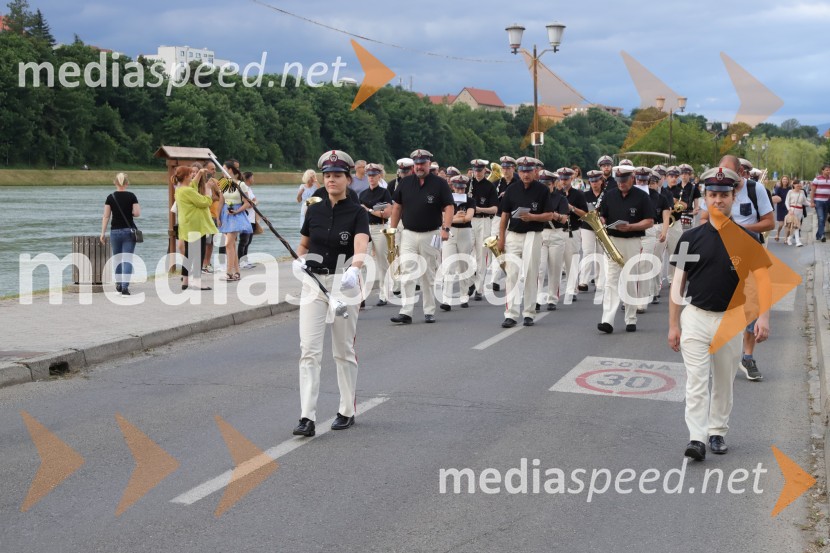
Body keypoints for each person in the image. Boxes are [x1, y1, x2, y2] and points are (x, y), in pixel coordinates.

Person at [668, 166, 771, 460]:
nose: (717, 200)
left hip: (732, 319)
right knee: (697, 380)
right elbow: (678, 286)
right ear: (705, 197)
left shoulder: (748, 240)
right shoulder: (690, 238)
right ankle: (697, 438)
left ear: (733, 197)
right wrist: (673, 325)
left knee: (724, 380)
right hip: (697, 317)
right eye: (712, 194)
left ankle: (717, 432)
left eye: (723, 195)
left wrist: (763, 317)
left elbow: (762, 280)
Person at [292, 150, 370, 437]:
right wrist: (298, 262)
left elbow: (360, 246)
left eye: (337, 175)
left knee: (343, 350)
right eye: (327, 175)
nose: (331, 180)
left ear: (348, 179)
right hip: (313, 283)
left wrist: (355, 268)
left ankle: (346, 409)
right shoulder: (314, 209)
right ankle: (306, 417)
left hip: (343, 284)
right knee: (308, 351)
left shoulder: (358, 212)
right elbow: (303, 245)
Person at [699, 155, 774, 381]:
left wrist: (739, 229)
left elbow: (770, 222)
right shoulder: (716, 191)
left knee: (751, 303)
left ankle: (748, 357)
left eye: (731, 174)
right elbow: (703, 218)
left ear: (740, 171)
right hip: (720, 252)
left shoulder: (755, 189)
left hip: (749, 250)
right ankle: (720, 353)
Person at [389, 149, 454, 324]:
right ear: (413, 165)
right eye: (416, 163)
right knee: (407, 273)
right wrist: (392, 231)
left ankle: (429, 310)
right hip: (409, 233)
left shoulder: (440, 183)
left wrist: (446, 229)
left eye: (422, 163)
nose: (419, 166)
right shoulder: (405, 182)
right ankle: (406, 312)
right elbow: (397, 207)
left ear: (429, 163)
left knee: (427, 274)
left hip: (431, 233)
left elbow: (449, 207)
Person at [597, 165, 654, 333]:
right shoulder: (610, 195)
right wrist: (601, 221)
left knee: (629, 279)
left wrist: (631, 226)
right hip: (613, 239)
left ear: (632, 178)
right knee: (611, 280)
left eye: (624, 180)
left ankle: (631, 318)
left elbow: (649, 221)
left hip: (633, 240)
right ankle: (607, 320)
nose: (621, 183)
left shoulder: (642, 196)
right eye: (618, 180)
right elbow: (603, 215)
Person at [497, 156, 553, 327]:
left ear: (534, 171)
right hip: (513, 234)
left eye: (528, 171)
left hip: (533, 234)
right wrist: (501, 238)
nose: (525, 174)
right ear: (518, 172)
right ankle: (511, 314)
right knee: (511, 274)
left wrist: (532, 217)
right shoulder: (512, 190)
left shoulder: (542, 190)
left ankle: (529, 312)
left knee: (530, 273)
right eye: (522, 171)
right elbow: (504, 216)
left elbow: (549, 215)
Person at [176, 168, 218, 291]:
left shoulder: (180, 189)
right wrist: (208, 189)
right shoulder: (188, 191)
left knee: (189, 253)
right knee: (199, 253)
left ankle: (185, 280)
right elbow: (204, 202)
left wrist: (200, 173)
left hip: (187, 225)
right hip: (196, 226)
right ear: (185, 177)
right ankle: (198, 281)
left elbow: (193, 185)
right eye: (190, 174)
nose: (192, 175)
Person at [358, 163, 393, 306]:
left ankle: (384, 294)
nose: (371, 178)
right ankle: (361, 295)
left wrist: (370, 211)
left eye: (373, 175)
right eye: (369, 175)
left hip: (380, 227)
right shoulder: (363, 194)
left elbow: (388, 213)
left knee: (381, 261)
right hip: (365, 227)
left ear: (379, 176)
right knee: (361, 260)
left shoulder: (384, 193)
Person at [100, 172, 140, 295]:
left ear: (115, 183)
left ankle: (118, 283)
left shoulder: (110, 197)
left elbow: (106, 216)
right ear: (127, 183)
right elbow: (137, 213)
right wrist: (130, 213)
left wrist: (103, 233)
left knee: (117, 258)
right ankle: (125, 287)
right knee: (127, 259)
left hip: (115, 231)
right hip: (129, 231)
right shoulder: (132, 196)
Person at [440, 175, 476, 310]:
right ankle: (446, 299)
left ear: (465, 188)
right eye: (457, 188)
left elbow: (468, 218)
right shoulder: (447, 200)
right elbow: (442, 219)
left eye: (462, 188)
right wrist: (454, 218)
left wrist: (450, 219)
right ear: (453, 187)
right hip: (450, 231)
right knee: (448, 265)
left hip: (465, 233)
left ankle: (463, 296)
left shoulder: (470, 200)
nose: (460, 191)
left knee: (463, 265)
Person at [537, 169, 570, 311]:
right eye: (542, 184)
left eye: (547, 184)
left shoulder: (561, 198)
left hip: (556, 233)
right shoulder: (536, 198)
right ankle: (537, 297)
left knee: (555, 269)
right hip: (541, 233)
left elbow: (564, 219)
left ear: (553, 184)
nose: (545, 187)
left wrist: (553, 215)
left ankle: (552, 298)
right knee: (539, 268)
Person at [468, 159, 499, 300]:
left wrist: (479, 209)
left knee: (482, 255)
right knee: (467, 252)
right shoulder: (467, 184)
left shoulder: (490, 186)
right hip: (468, 221)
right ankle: (469, 282)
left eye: (480, 170)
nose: (477, 173)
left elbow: (494, 209)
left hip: (483, 220)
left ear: (485, 170)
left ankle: (479, 289)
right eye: (475, 170)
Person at [557, 166, 589, 303]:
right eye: (562, 179)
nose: (564, 181)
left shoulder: (578, 194)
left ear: (572, 178)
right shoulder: (555, 194)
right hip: (557, 231)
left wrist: (572, 208)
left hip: (573, 231)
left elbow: (586, 215)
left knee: (572, 262)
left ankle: (571, 289)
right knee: (556, 263)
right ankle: (555, 290)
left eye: (566, 179)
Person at [217, 163, 253, 281]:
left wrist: (237, 211)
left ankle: (229, 272)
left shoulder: (240, 184)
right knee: (231, 245)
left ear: (230, 170)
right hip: (226, 214)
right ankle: (237, 272)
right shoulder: (223, 183)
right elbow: (221, 201)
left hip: (237, 215)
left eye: (225, 169)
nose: (222, 171)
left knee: (228, 244)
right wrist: (218, 217)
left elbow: (248, 203)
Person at [578, 170, 606, 294]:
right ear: (589, 182)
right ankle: (583, 281)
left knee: (601, 253)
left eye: (597, 180)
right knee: (587, 252)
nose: (594, 183)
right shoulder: (584, 195)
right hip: (587, 226)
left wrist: (605, 218)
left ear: (601, 181)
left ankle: (600, 281)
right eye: (592, 181)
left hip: (602, 227)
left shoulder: (607, 195)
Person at [202, 160, 222, 274]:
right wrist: (214, 197)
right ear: (205, 169)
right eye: (212, 169)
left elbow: (222, 195)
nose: (214, 171)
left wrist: (215, 196)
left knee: (211, 242)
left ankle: (207, 263)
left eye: (215, 169)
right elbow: (206, 199)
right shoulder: (201, 183)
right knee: (205, 241)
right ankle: (202, 263)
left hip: (215, 215)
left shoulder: (215, 181)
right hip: (206, 216)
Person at [237, 171, 258, 269]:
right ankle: (240, 261)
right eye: (252, 178)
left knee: (248, 241)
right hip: (246, 218)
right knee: (243, 241)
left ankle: (245, 259)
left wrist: (253, 202)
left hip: (252, 219)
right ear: (248, 179)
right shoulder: (243, 189)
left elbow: (254, 200)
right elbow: (247, 203)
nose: (253, 180)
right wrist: (252, 203)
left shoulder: (249, 189)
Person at [783, 180, 809, 246]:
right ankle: (798, 242)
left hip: (800, 210)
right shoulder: (790, 192)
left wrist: (811, 204)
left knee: (796, 226)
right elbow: (786, 202)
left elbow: (804, 201)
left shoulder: (802, 192)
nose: (798, 185)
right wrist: (789, 209)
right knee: (796, 226)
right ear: (793, 185)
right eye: (797, 184)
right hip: (792, 210)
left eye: (799, 184)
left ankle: (789, 238)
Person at [810, 164, 830, 242]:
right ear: (822, 171)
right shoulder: (817, 179)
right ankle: (822, 235)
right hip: (818, 201)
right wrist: (812, 202)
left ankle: (818, 234)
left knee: (823, 219)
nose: (828, 171)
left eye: (829, 170)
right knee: (821, 218)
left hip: (827, 201)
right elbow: (812, 191)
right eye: (827, 170)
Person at [772, 176, 792, 242]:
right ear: (781, 180)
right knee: (781, 224)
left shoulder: (790, 189)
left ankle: (786, 238)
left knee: (788, 225)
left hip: (788, 208)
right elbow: (775, 197)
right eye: (783, 179)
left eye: (786, 179)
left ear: (788, 181)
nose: (785, 180)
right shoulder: (778, 188)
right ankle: (778, 233)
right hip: (780, 207)